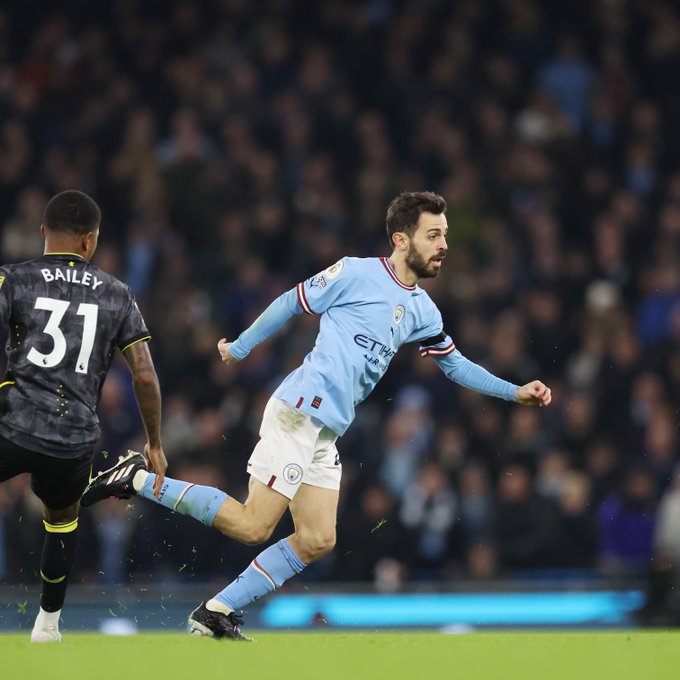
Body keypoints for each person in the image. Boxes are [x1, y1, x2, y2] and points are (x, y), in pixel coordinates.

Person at [82, 191, 551, 639]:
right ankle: (137, 481)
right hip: (298, 411)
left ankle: (216, 610)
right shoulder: (354, 273)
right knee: (253, 525)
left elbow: (455, 363)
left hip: (325, 431)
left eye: (445, 235)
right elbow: (291, 301)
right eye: (434, 235)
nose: (444, 245)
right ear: (401, 239)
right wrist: (241, 348)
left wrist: (514, 392)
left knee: (317, 538)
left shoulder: (423, 309)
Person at [0, 190, 167, 642]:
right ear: (90, 242)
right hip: (72, 437)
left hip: (13, 424)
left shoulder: (12, 280)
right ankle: (48, 625)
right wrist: (153, 441)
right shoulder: (118, 294)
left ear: (42, 234)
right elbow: (146, 377)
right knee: (62, 518)